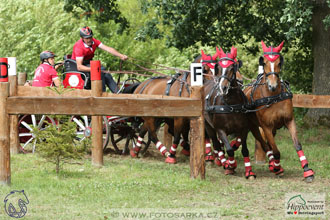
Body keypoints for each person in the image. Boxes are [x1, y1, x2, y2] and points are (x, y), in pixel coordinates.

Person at [71, 26, 128, 92]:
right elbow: (79, 67)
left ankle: (118, 93)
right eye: (86, 38)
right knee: (100, 70)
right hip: (78, 67)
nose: (89, 40)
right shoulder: (79, 47)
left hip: (88, 63)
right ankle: (101, 93)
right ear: (82, 38)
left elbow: (108, 49)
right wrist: (95, 69)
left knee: (106, 73)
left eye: (90, 37)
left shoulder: (94, 41)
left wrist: (121, 55)